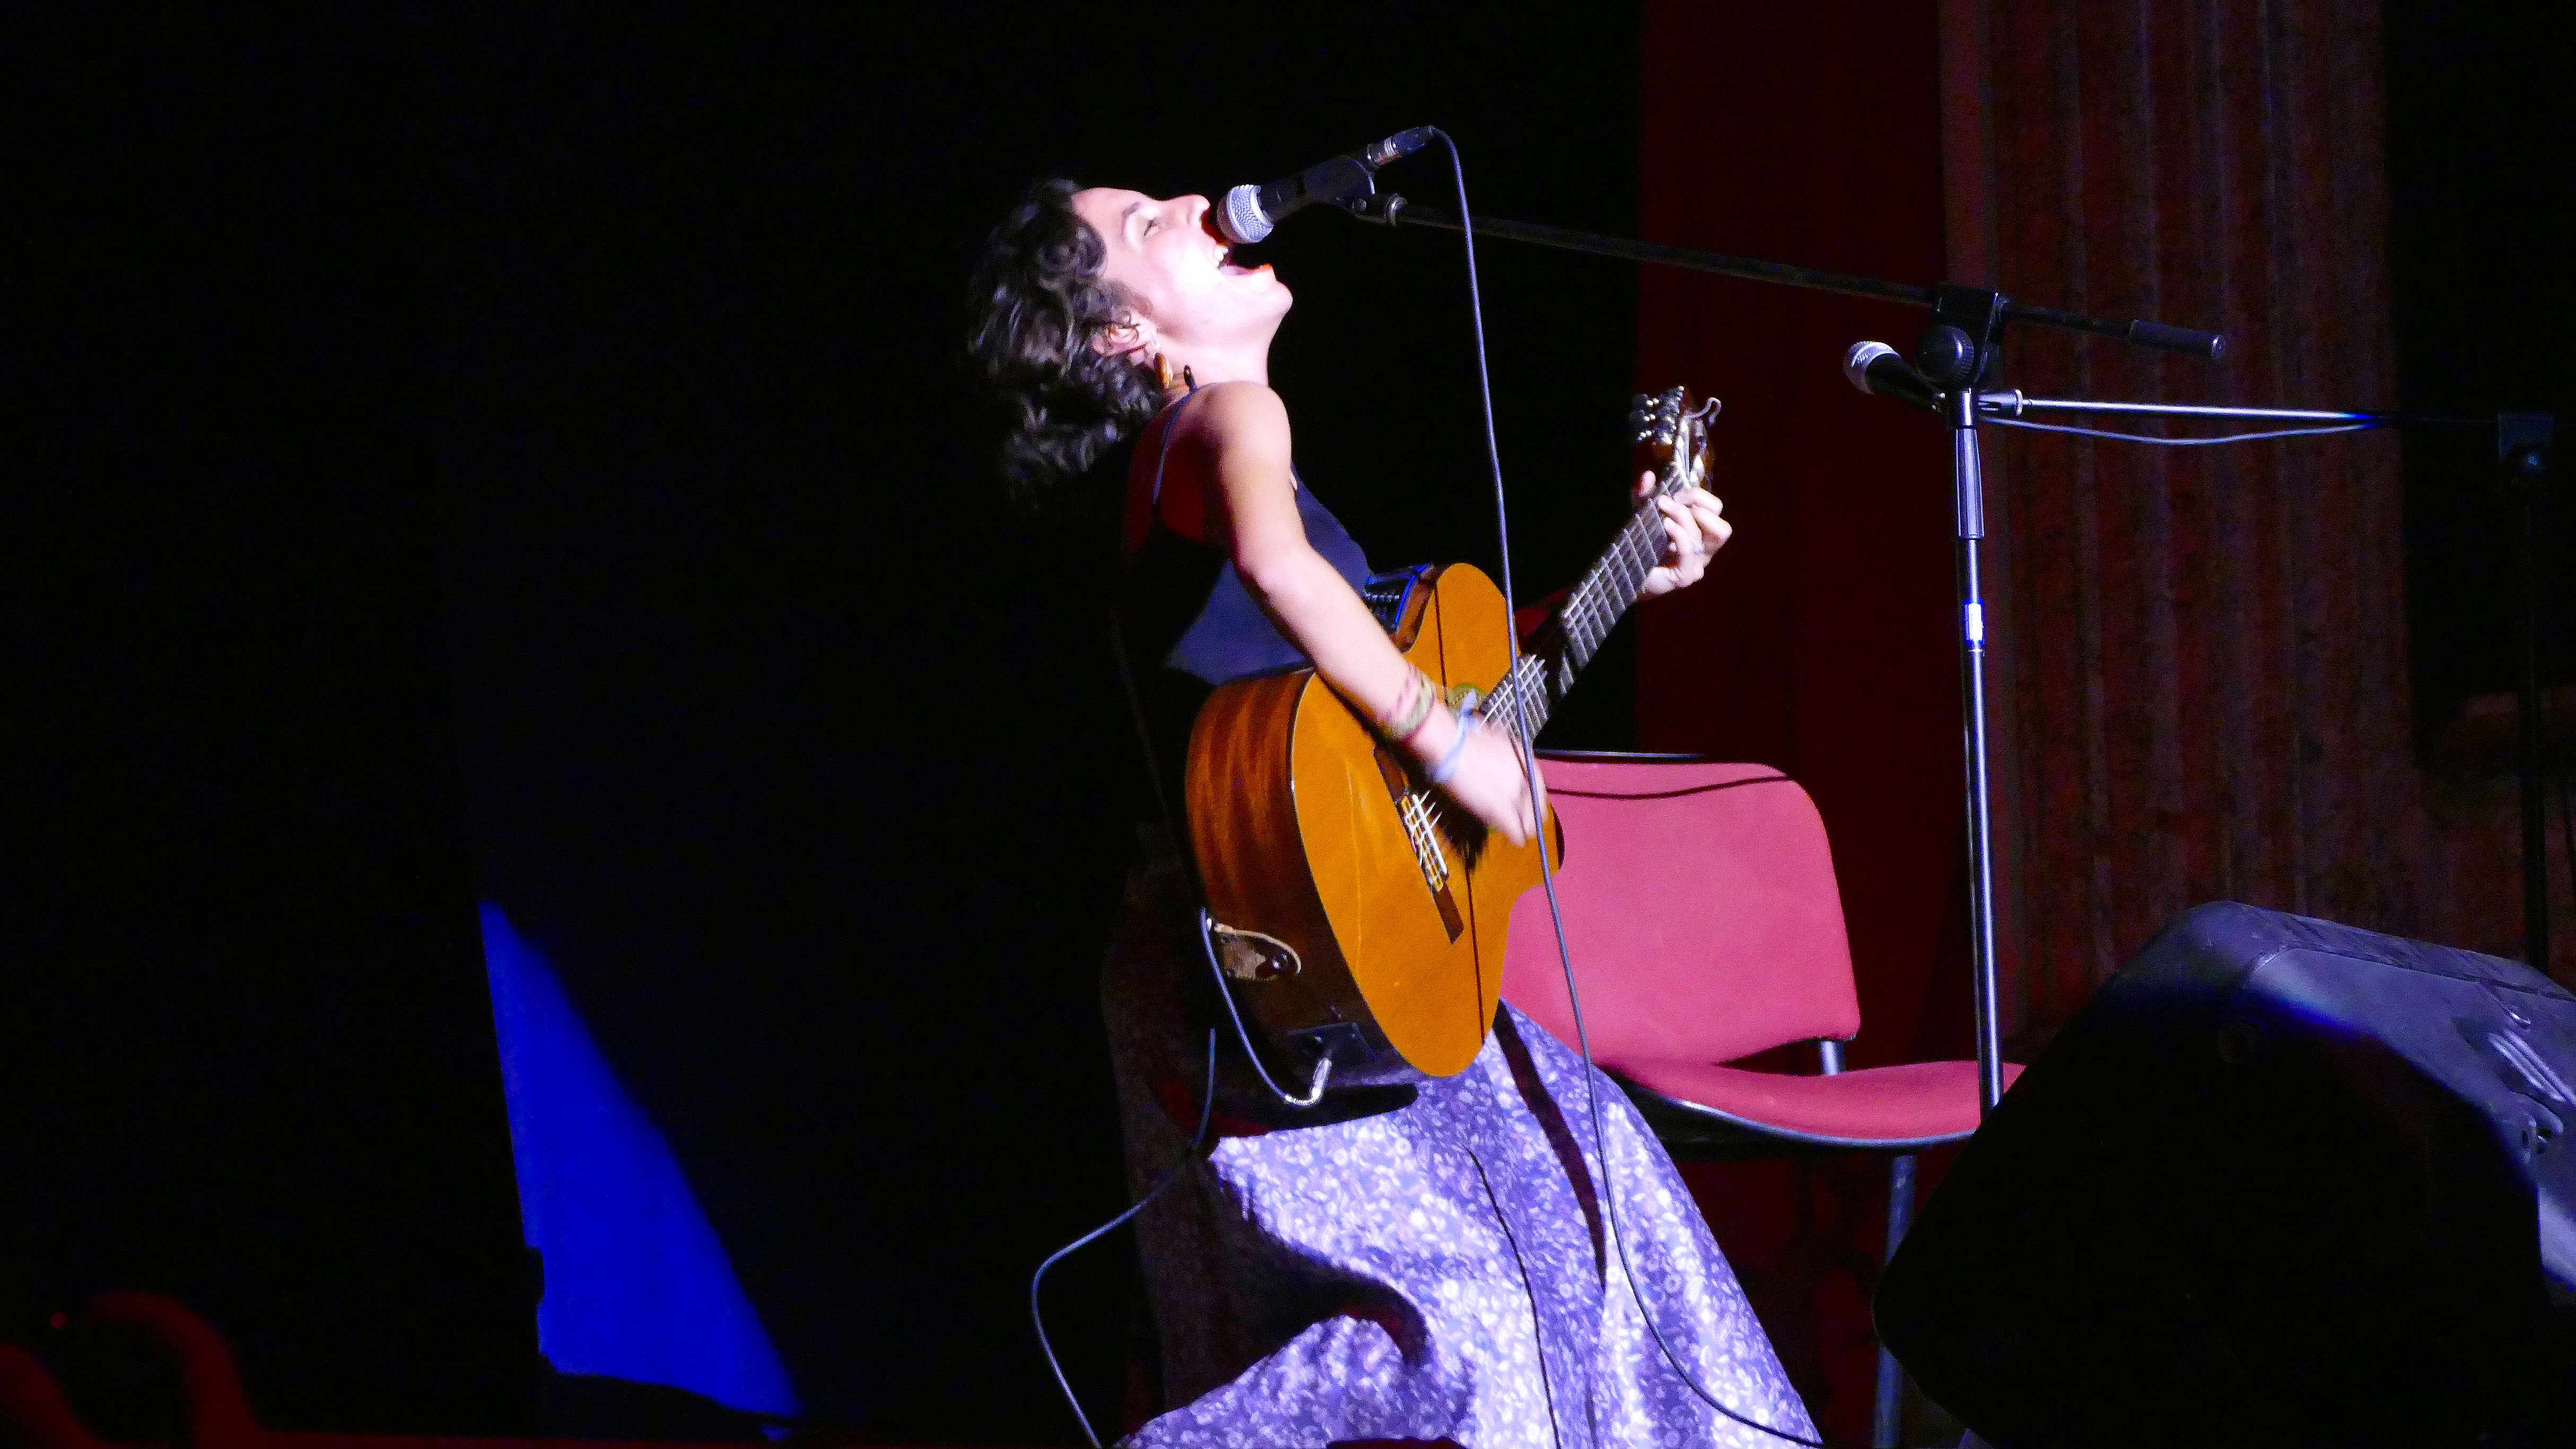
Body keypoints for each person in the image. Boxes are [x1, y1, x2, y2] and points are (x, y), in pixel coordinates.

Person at [967, 179, 1817, 1449]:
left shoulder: (1204, 461)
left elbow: (1428, 677)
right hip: (1267, 958)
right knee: (1497, 1297)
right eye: (1146, 223)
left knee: (1582, 1220)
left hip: (1289, 952)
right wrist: (1445, 738)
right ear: (1122, 334)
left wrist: (1624, 564)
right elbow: (1282, 572)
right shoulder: (1224, 415)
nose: (1198, 201)